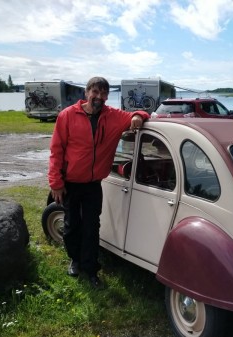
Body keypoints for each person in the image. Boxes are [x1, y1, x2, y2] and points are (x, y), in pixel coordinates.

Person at [48, 76, 149, 287]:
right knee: (71, 226)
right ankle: (75, 260)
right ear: (87, 93)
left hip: (94, 184)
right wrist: (56, 182)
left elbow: (138, 114)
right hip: (71, 183)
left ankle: (91, 269)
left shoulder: (112, 116)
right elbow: (56, 151)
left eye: (103, 94)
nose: (99, 97)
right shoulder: (67, 116)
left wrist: (139, 116)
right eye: (95, 92)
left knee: (92, 227)